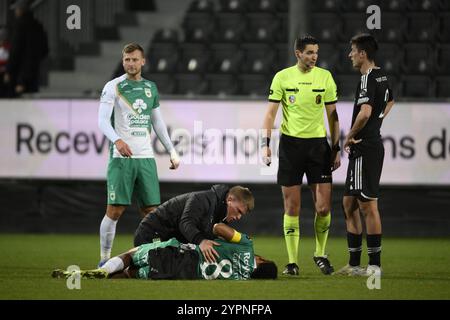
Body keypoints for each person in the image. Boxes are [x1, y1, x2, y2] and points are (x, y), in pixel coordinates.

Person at [261, 35, 340, 276]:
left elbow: (333, 116)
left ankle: (319, 253)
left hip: (318, 147)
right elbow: (270, 114)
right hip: (290, 147)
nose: (314, 56)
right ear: (298, 54)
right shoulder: (283, 77)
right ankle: (292, 262)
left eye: (316, 52)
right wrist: (265, 144)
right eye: (309, 53)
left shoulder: (325, 77)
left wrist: (335, 148)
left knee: (324, 207)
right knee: (292, 207)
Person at [97, 42, 180, 267]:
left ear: (143, 61)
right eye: (127, 59)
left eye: (134, 59)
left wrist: (172, 150)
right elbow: (102, 121)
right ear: (123, 61)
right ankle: (104, 259)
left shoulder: (150, 88)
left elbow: (158, 122)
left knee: (152, 212)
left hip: (145, 158)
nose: (130, 63)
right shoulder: (113, 87)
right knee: (115, 210)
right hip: (121, 159)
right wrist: (118, 140)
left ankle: (154, 258)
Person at [336, 34, 394, 276]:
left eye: (352, 50)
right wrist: (377, 122)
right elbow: (390, 100)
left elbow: (364, 112)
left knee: (367, 205)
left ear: (362, 53)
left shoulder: (367, 78)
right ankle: (354, 263)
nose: (350, 55)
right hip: (369, 144)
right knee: (348, 204)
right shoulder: (383, 75)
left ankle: (374, 266)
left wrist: (350, 135)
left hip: (364, 147)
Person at [52, 223, 278, 280]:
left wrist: (209, 232)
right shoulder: (240, 278)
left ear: (261, 259)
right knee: (131, 275)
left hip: (179, 252)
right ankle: (101, 278)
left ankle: (100, 270)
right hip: (181, 273)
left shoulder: (247, 246)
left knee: (133, 253)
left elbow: (219, 228)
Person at [134, 184, 254, 263]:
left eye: (241, 214)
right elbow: (186, 223)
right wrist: (202, 241)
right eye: (238, 211)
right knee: (148, 270)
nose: (238, 217)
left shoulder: (220, 213)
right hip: (150, 235)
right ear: (229, 200)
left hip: (169, 241)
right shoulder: (203, 199)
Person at [4, 0, 48, 96]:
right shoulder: (38, 26)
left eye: (16, 10)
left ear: (21, 10)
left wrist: (9, 70)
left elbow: (15, 50)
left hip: (19, 74)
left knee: (15, 101)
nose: (15, 12)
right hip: (33, 73)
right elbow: (44, 49)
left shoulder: (20, 26)